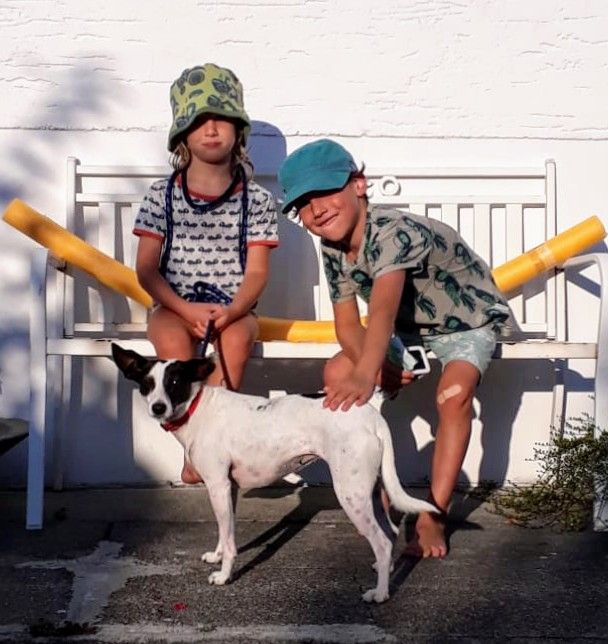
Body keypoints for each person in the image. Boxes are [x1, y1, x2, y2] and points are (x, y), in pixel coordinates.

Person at [277, 139, 512, 558]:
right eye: (303, 205)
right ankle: (378, 495)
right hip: (409, 330)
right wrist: (374, 364)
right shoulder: (332, 247)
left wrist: (370, 370)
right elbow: (348, 323)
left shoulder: (392, 231)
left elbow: (382, 310)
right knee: (337, 374)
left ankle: (433, 513)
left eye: (325, 192)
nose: (317, 210)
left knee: (454, 394)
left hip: (467, 322)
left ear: (359, 185)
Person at [133, 63, 279, 483]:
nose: (211, 129)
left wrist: (233, 311)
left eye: (221, 119)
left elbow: (257, 272)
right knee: (173, 347)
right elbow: (146, 269)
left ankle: (210, 446)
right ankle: (193, 449)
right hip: (173, 306)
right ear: (182, 134)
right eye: (198, 120)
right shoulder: (162, 195)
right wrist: (183, 308)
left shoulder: (256, 200)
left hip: (234, 309)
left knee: (235, 345)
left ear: (238, 130)